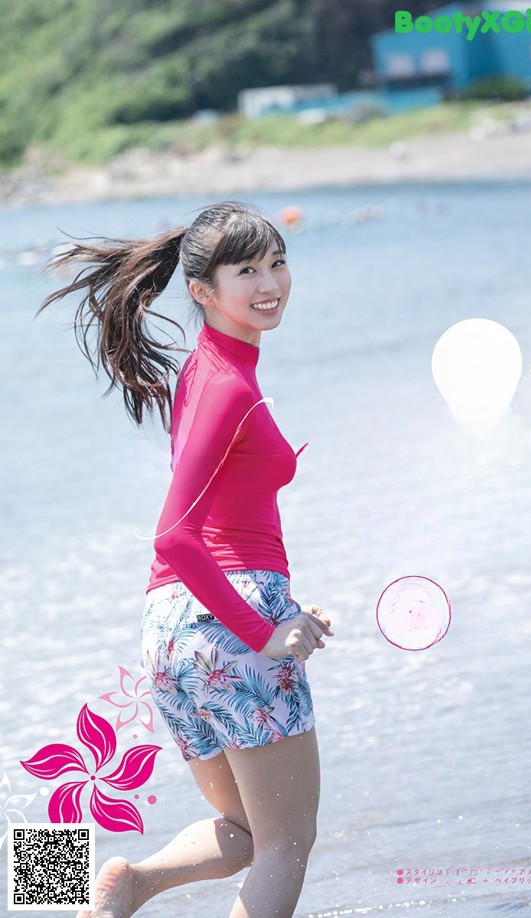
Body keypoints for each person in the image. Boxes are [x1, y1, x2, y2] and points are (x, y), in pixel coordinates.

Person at [37, 200, 335, 918]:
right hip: (226, 621)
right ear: (202, 291)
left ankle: (128, 884)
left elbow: (219, 521)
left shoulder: (206, 373)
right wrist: (262, 627)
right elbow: (174, 535)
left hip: (172, 629)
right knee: (286, 845)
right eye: (246, 270)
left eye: (277, 262)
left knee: (243, 833)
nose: (270, 283)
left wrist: (281, 608)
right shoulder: (227, 385)